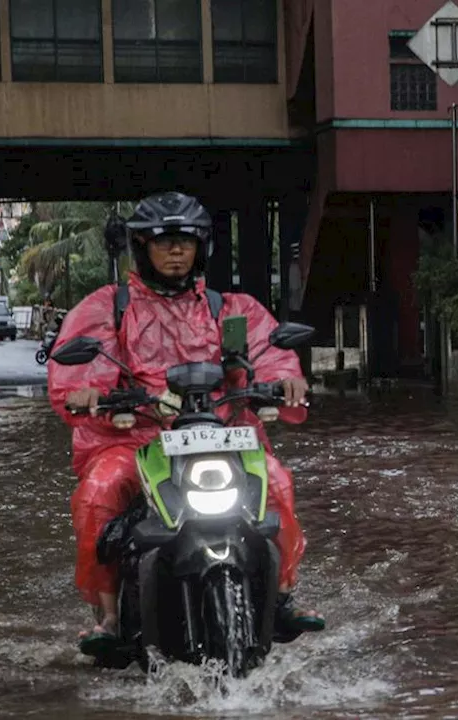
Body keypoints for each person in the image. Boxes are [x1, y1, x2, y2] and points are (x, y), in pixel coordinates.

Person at [47, 191, 324, 654]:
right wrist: (87, 391)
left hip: (218, 435)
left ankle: (280, 596)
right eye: (163, 241)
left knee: (275, 479)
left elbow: (269, 353)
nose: (176, 250)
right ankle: (109, 617)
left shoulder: (229, 307)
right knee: (100, 490)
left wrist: (284, 381)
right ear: (143, 249)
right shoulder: (107, 307)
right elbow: (78, 366)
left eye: (185, 241)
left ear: (202, 248)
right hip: (134, 436)